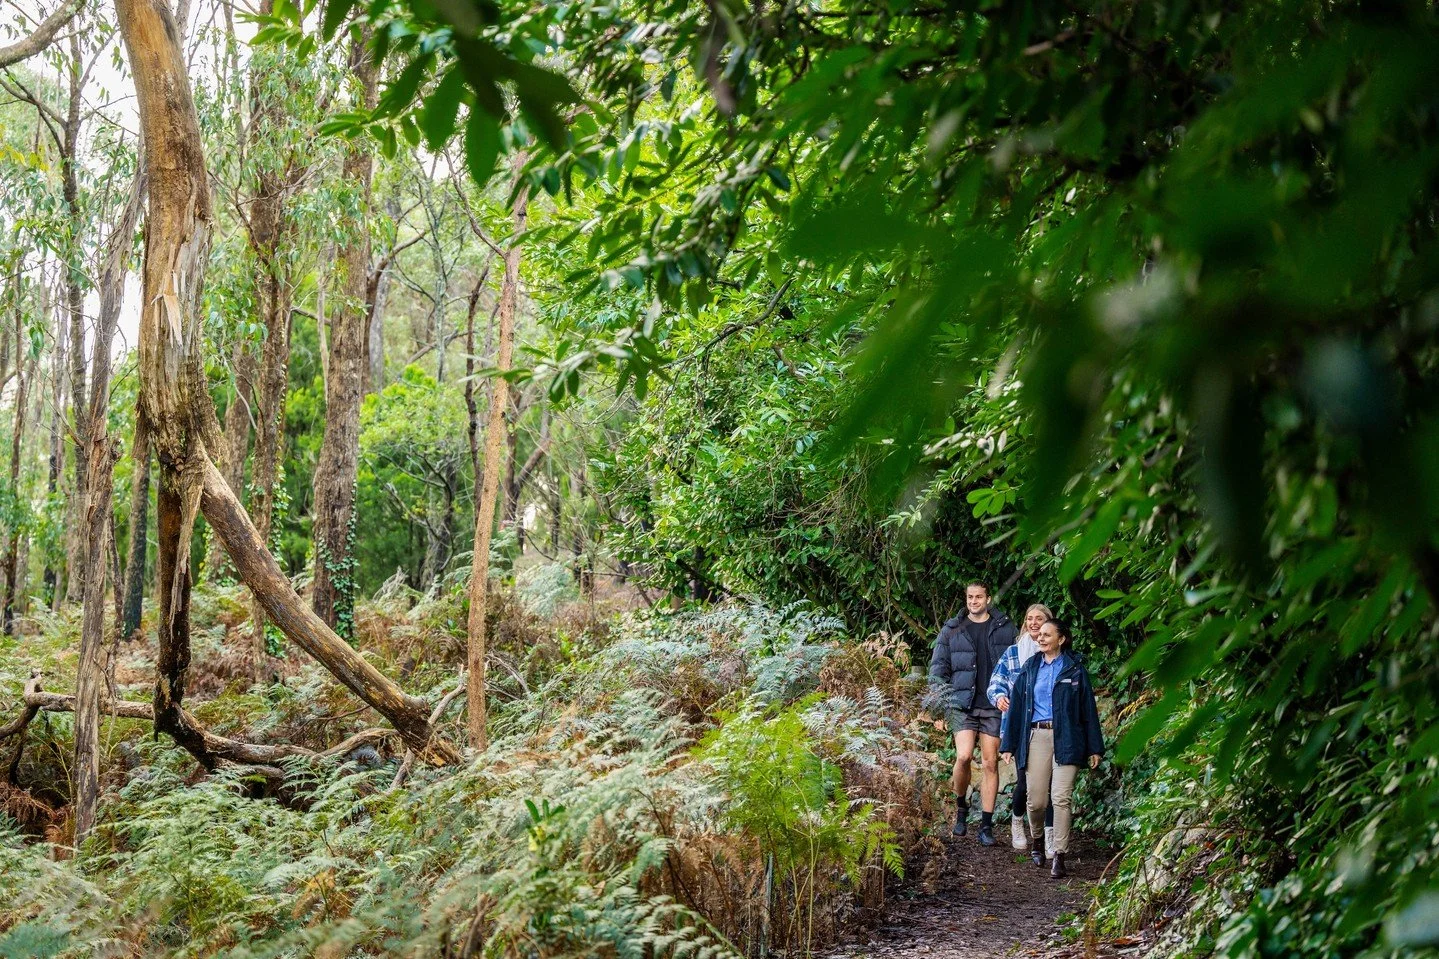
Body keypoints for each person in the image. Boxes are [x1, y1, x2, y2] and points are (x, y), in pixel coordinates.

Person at [1000, 618, 1104, 879]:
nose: (1041, 638)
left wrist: (1095, 747)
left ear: (1062, 639)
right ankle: (1037, 840)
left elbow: (1088, 711)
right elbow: (1016, 708)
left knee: (1061, 798)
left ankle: (1059, 854)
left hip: (1068, 738)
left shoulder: (1074, 669)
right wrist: (1009, 744)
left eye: (1048, 634)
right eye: (1040, 635)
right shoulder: (1030, 668)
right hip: (1037, 736)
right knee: (1036, 801)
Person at [928, 581, 1018, 846]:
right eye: (970, 597)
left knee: (990, 763)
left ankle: (987, 825)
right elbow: (938, 669)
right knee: (964, 756)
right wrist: (938, 708)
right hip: (962, 703)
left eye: (979, 597)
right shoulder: (952, 629)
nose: (974, 601)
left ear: (988, 599)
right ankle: (961, 809)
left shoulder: (1005, 628)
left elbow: (1018, 665)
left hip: (993, 704)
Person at [988, 602, 1052, 851]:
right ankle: (1017, 822)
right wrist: (999, 697)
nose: (1033, 623)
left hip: (1048, 725)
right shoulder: (1014, 653)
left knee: (1049, 784)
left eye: (1039, 619)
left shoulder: (1054, 654)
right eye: (1029, 618)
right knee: (1026, 782)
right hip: (1021, 727)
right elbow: (996, 681)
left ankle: (1048, 836)